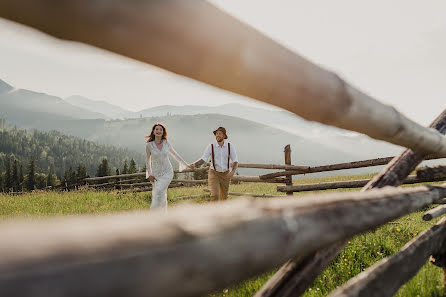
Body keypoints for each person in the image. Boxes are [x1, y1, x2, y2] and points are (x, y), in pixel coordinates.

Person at [145, 123, 191, 211]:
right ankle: (162, 215)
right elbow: (147, 161)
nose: (158, 131)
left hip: (167, 172)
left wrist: (185, 164)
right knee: (160, 193)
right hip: (156, 174)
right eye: (157, 129)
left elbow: (175, 154)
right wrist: (150, 174)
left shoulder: (166, 143)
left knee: (158, 191)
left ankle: (152, 214)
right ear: (153, 132)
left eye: (161, 130)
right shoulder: (149, 145)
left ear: (163, 132)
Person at [191, 126, 238, 201]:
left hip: (226, 174)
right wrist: (194, 164)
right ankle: (213, 212)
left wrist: (232, 171)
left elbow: (235, 160)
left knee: (224, 197)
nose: (217, 135)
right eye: (216, 134)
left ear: (224, 136)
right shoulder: (211, 146)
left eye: (220, 133)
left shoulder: (230, 146)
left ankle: (222, 212)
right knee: (215, 195)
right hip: (214, 173)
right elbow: (204, 159)